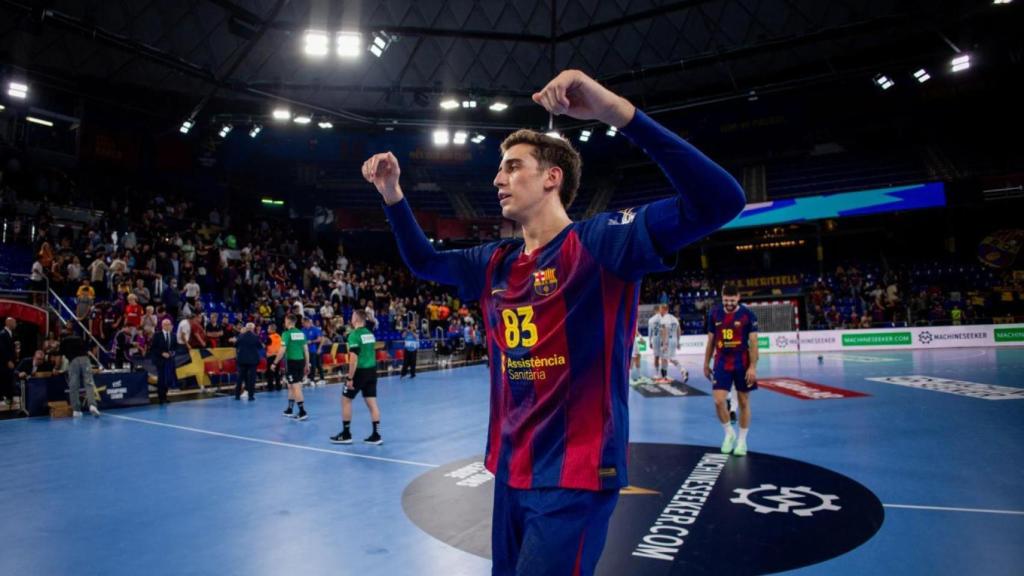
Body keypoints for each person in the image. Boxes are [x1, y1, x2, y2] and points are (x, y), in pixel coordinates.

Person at [361, 69, 744, 575]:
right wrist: (392, 194)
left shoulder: (602, 243)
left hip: (576, 477)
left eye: (513, 167)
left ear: (551, 177)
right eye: (499, 169)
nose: (498, 179)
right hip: (510, 471)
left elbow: (722, 201)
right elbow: (425, 262)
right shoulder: (493, 262)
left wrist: (617, 113)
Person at [703, 283, 759, 457]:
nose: (728, 303)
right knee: (719, 401)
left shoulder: (748, 315)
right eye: (726, 299)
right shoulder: (714, 313)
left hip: (742, 362)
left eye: (732, 300)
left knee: (743, 401)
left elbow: (754, 343)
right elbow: (711, 341)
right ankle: (729, 434)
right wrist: (706, 363)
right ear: (722, 297)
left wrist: (752, 366)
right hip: (721, 361)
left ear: (738, 298)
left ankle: (742, 441)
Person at [330, 310, 382, 445]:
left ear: (357, 319)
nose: (350, 319)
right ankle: (376, 435)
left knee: (345, 400)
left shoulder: (354, 335)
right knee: (372, 403)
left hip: (360, 371)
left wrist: (350, 378)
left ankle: (346, 434)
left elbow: (353, 358)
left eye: (352, 316)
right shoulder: (370, 334)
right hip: (372, 371)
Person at [274, 315, 309, 421]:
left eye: (285, 320)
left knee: (296, 387)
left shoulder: (286, 334)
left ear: (288, 321)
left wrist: (275, 363)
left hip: (292, 362)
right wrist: (307, 364)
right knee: (291, 385)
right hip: (301, 361)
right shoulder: (301, 333)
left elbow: (282, 350)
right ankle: (290, 409)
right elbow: (306, 350)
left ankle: (302, 412)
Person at [60, 332, 101, 417]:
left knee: (73, 386)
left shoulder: (63, 341)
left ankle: (76, 410)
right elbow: (87, 349)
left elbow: (60, 354)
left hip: (73, 362)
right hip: (85, 359)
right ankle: (92, 405)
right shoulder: (79, 338)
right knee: (89, 383)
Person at [647, 303, 680, 380]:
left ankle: (657, 374)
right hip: (663, 340)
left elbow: (650, 332)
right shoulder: (664, 318)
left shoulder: (651, 320)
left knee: (656, 356)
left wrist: (649, 341)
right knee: (664, 357)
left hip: (655, 340)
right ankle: (664, 375)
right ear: (659, 310)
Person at [151, 318, 178, 404]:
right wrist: (162, 353)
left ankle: (165, 396)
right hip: (160, 360)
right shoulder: (157, 335)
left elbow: (175, 347)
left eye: (169, 324)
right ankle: (161, 397)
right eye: (165, 324)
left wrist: (172, 353)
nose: (167, 326)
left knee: (167, 379)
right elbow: (153, 348)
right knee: (161, 379)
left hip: (169, 361)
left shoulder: (173, 335)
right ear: (162, 325)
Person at [234, 323, 263, 401]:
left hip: (241, 360)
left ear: (246, 328)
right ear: (253, 329)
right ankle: (251, 396)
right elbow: (260, 347)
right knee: (251, 379)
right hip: (252, 361)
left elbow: (235, 345)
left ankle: (237, 395)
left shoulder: (240, 336)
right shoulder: (255, 337)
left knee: (240, 378)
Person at [0, 317, 18, 407]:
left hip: (9, 361)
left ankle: (9, 399)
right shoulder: (3, 334)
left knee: (9, 380)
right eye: (14, 322)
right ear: (8, 323)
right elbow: (2, 349)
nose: (16, 324)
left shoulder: (10, 333)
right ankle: (7, 399)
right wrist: (8, 361)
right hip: (4, 363)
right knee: (5, 380)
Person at [302, 317, 325, 386]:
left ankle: (316, 379)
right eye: (302, 323)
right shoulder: (302, 330)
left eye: (304, 323)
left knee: (316, 365)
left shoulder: (315, 329)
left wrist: (311, 341)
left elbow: (320, 339)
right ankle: (308, 378)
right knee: (307, 365)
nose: (303, 324)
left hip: (313, 350)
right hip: (305, 350)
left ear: (308, 322)